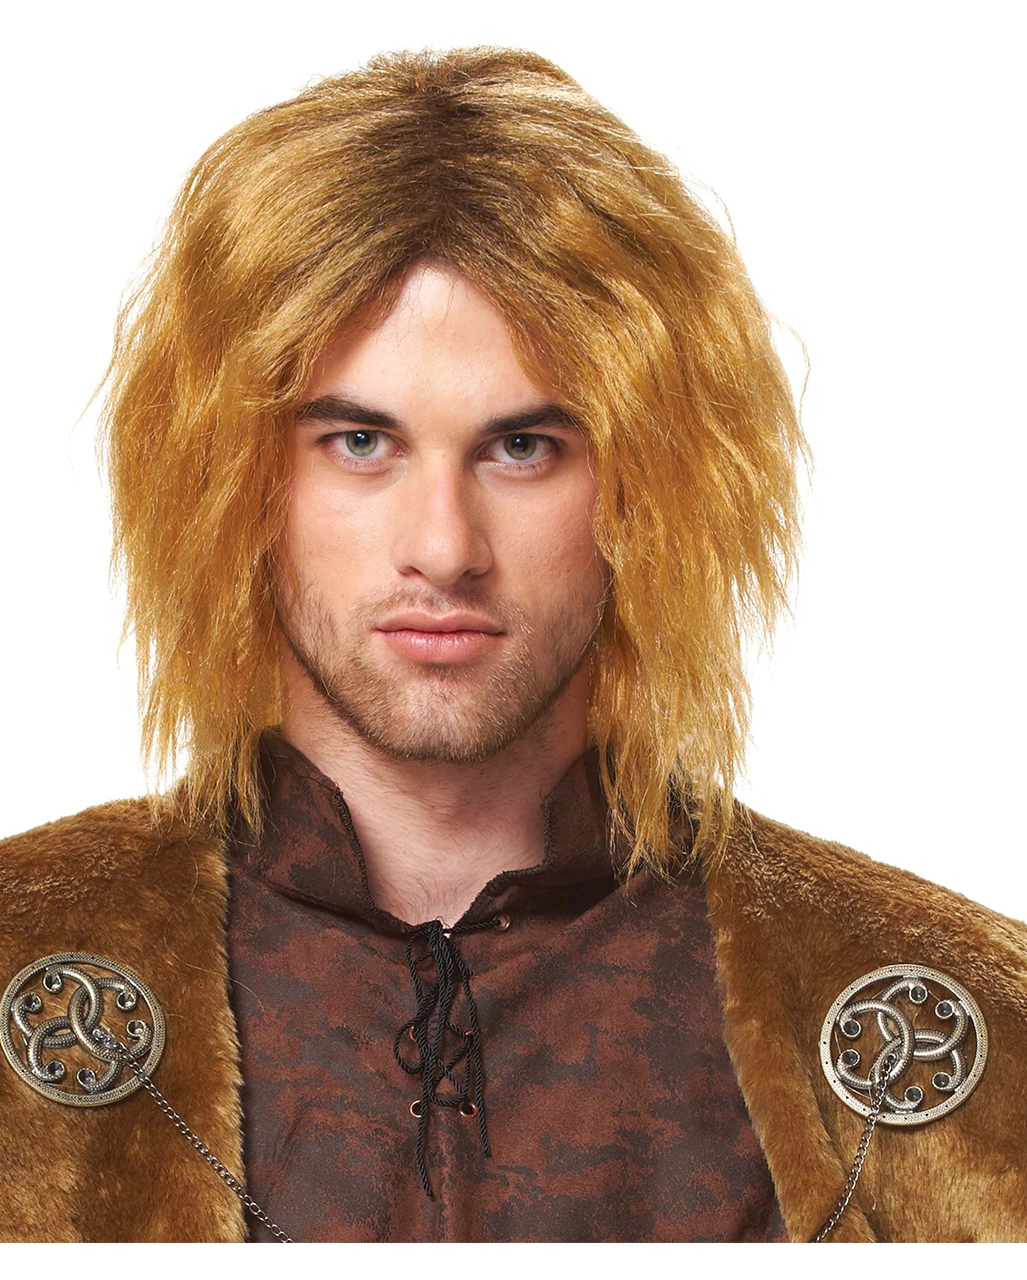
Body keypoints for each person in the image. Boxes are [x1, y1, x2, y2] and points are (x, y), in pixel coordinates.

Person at [0, 46, 1024, 1245]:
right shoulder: (27, 943)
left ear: (645, 483)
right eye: (360, 443)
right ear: (236, 480)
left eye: (522, 448)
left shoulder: (968, 1020)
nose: (443, 547)